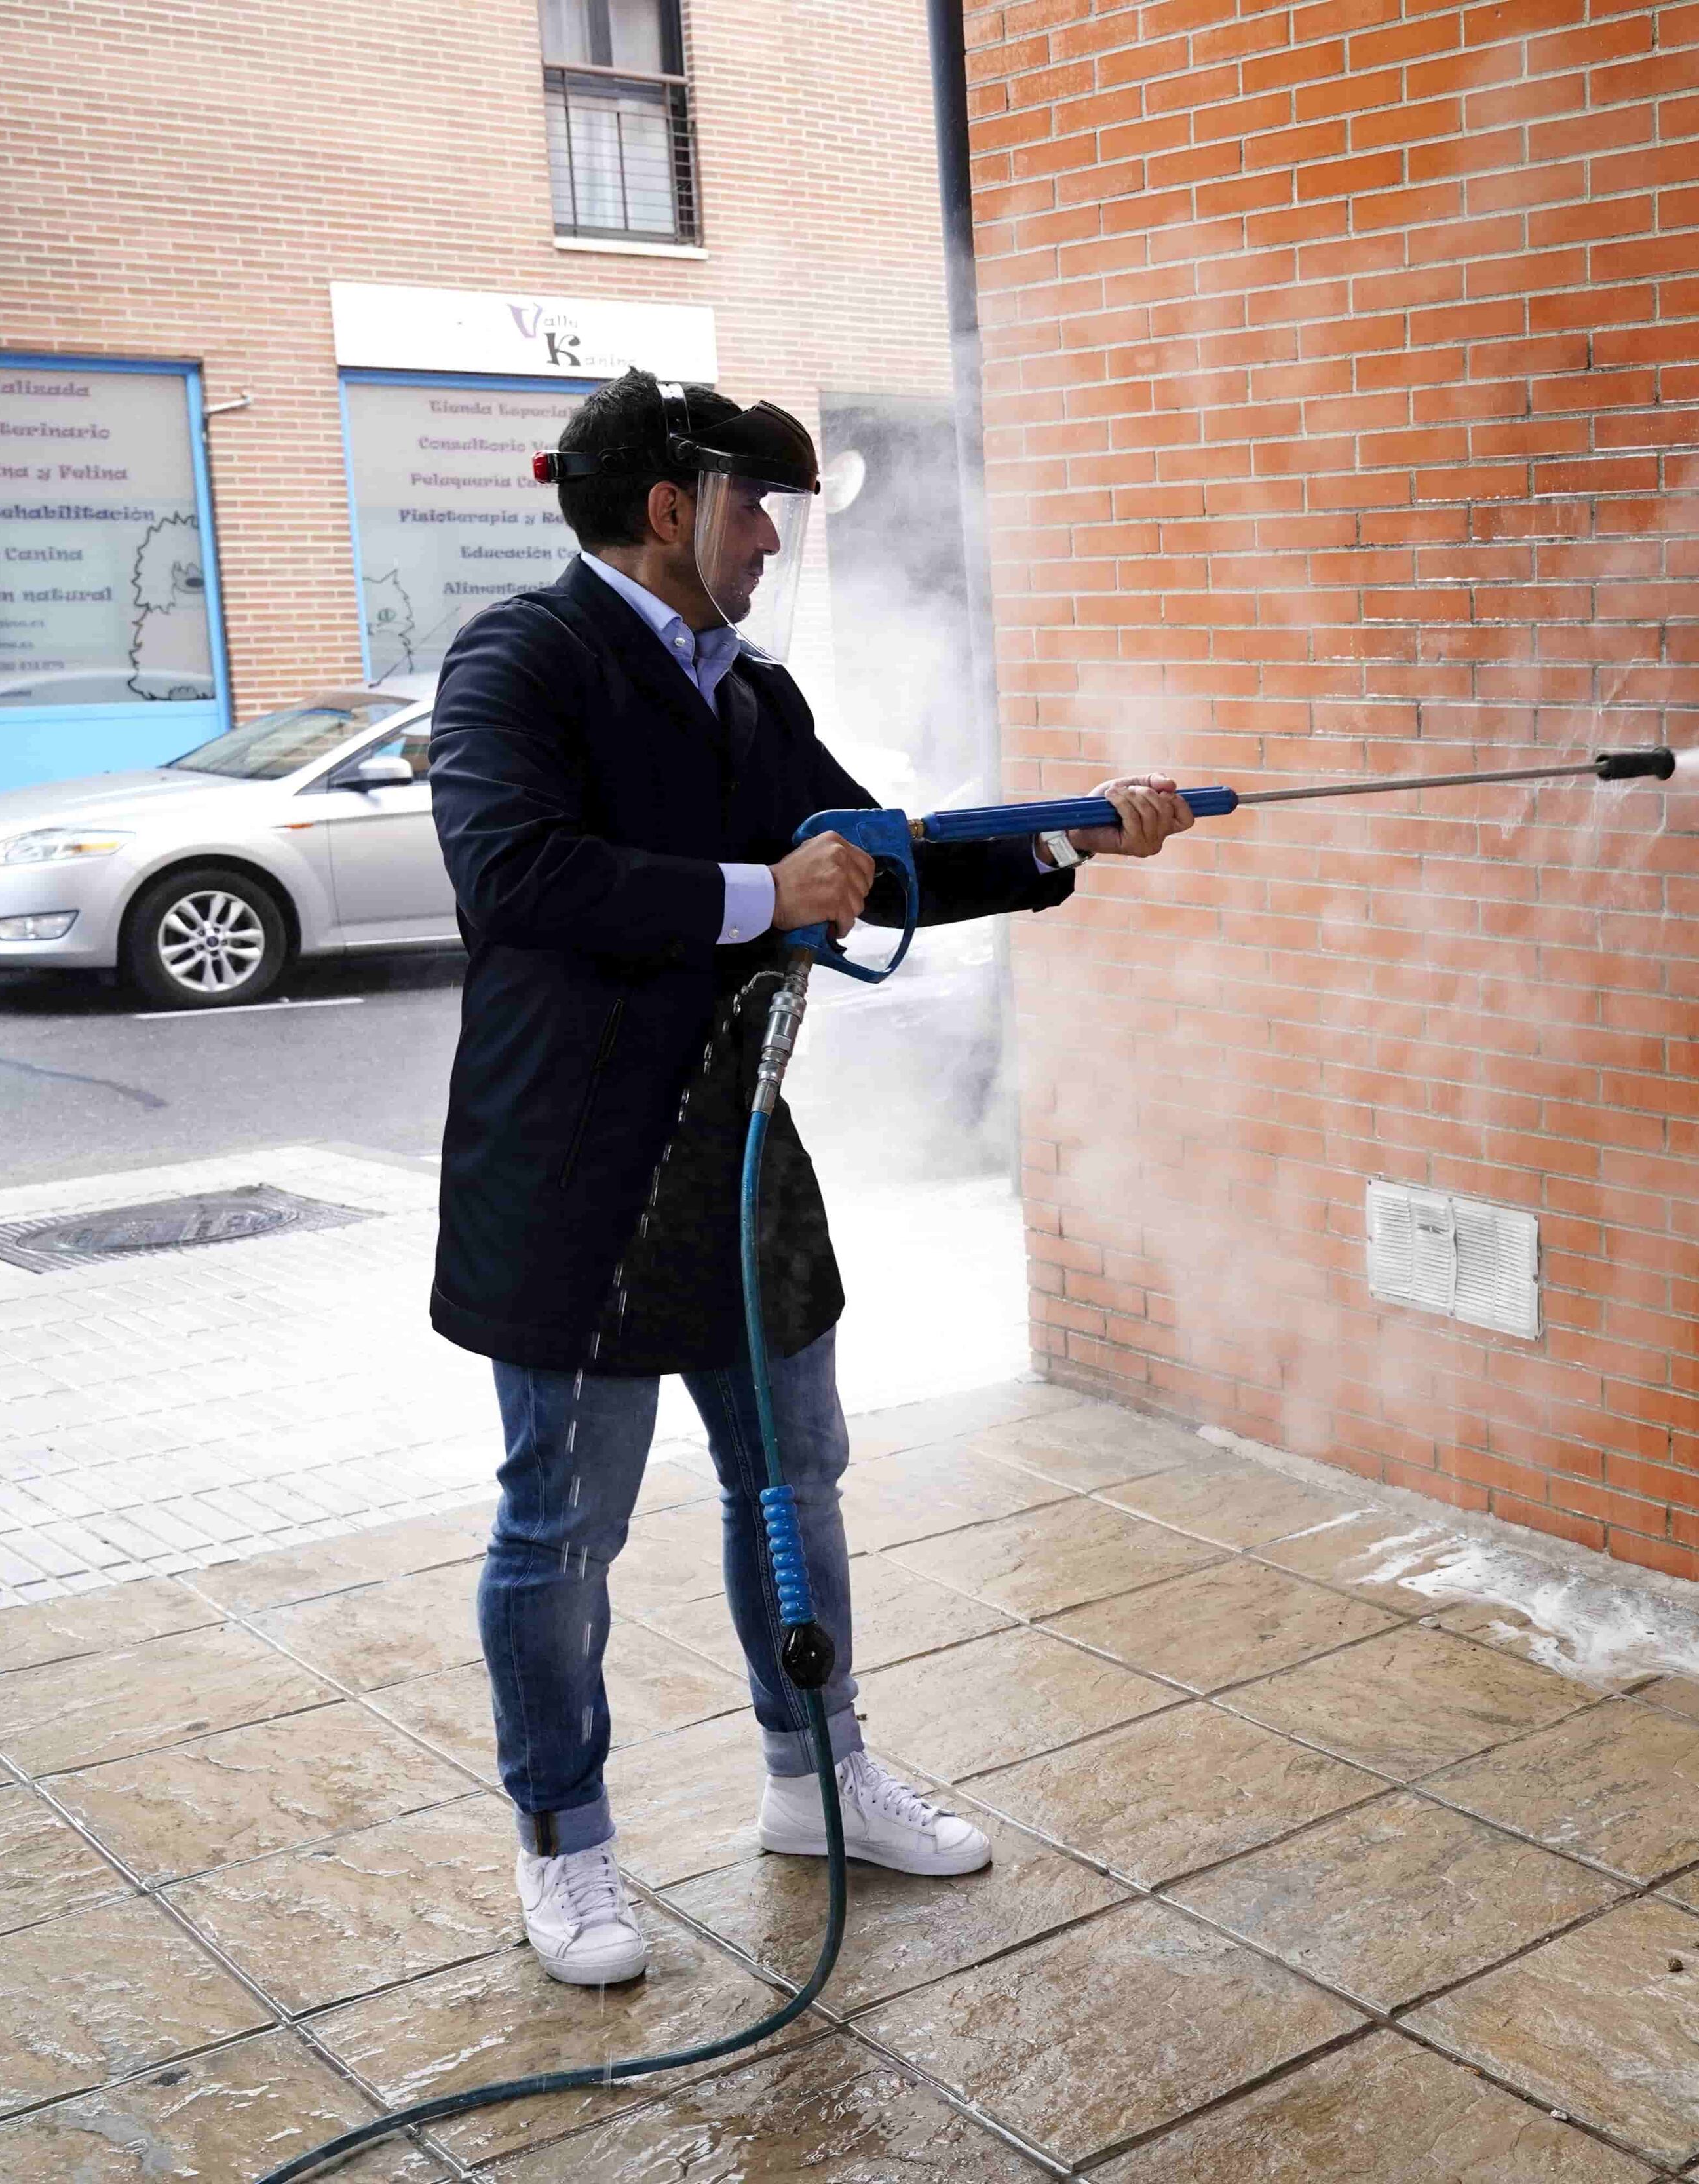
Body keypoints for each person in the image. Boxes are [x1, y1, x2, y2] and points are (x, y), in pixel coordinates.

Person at [425, 368, 1192, 1985]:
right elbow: (513, 874)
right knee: (561, 1525)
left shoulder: (748, 693)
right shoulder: (522, 656)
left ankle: (816, 1773)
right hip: (567, 1178)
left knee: (795, 1480)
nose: (773, 540)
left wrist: (1070, 841)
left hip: (740, 1150)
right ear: (671, 508)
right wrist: (755, 889)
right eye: (757, 505)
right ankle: (564, 1845)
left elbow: (872, 845)